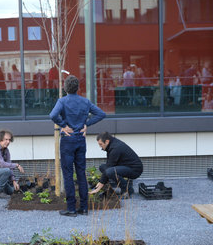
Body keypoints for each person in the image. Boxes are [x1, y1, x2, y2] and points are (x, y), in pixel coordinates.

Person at [49, 75, 106, 217]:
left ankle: (71, 209)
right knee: (81, 173)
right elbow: (101, 114)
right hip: (80, 140)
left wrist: (63, 126)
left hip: (68, 141)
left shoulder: (62, 101)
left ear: (65, 87)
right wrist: (87, 124)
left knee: (68, 174)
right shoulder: (85, 101)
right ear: (78, 87)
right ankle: (84, 208)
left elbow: (53, 115)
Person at [89, 132, 143, 198]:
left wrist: (100, 183)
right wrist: (101, 182)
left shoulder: (115, 148)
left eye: (101, 144)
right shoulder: (112, 144)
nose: (100, 146)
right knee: (102, 167)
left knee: (109, 172)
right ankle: (107, 185)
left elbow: (109, 167)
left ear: (107, 141)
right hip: (124, 166)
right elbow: (108, 165)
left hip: (134, 169)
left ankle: (127, 190)